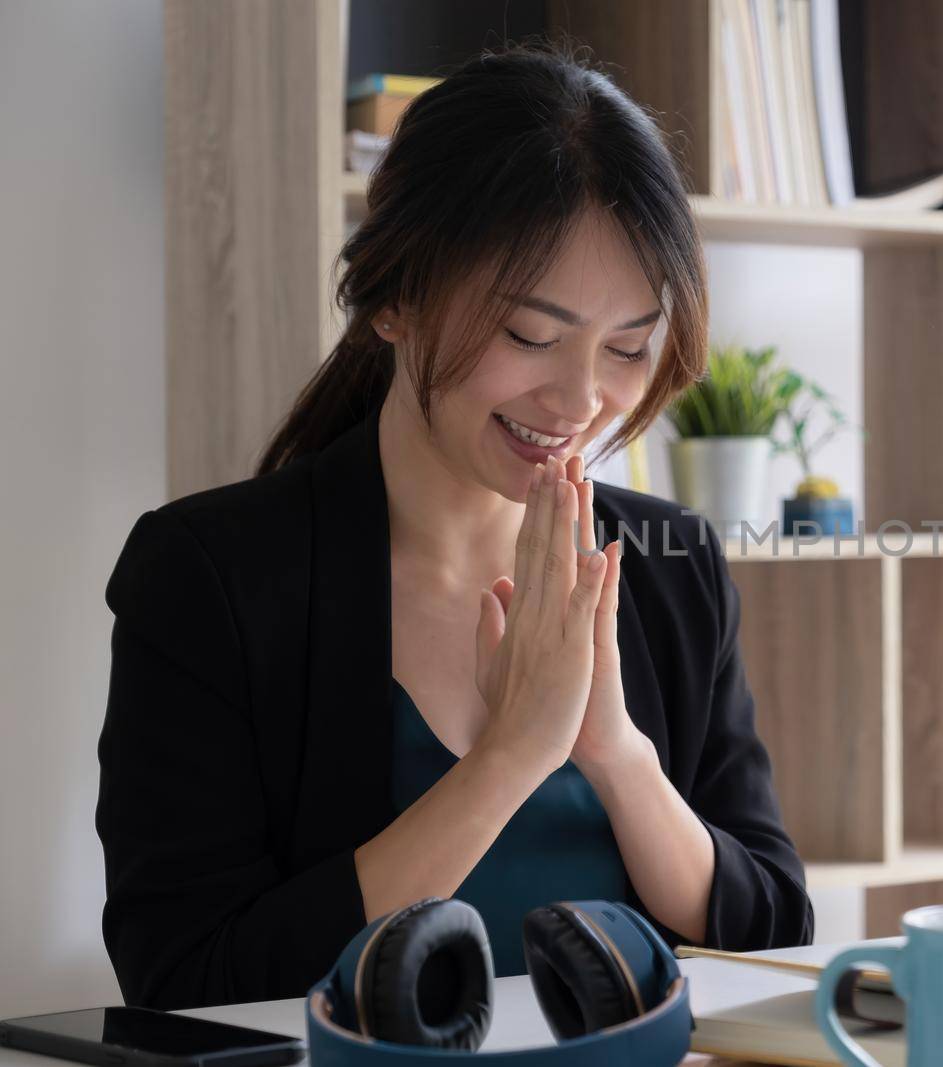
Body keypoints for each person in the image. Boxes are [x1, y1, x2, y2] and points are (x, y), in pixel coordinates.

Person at [95, 42, 813, 1010]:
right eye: (530, 335)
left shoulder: (669, 563)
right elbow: (185, 977)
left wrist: (614, 750)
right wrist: (511, 755)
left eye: (629, 347)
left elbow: (772, 933)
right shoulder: (210, 575)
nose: (581, 400)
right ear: (396, 296)